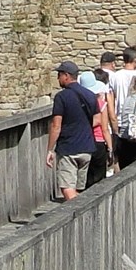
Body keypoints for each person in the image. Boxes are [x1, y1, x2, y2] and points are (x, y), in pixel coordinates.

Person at [44, 60, 102, 201]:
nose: (58, 78)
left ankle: (86, 215)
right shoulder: (90, 95)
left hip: (69, 148)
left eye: (59, 75)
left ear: (66, 76)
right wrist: (82, 125)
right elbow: (98, 119)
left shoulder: (61, 97)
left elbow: (56, 125)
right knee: (78, 189)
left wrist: (50, 149)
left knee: (67, 188)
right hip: (87, 148)